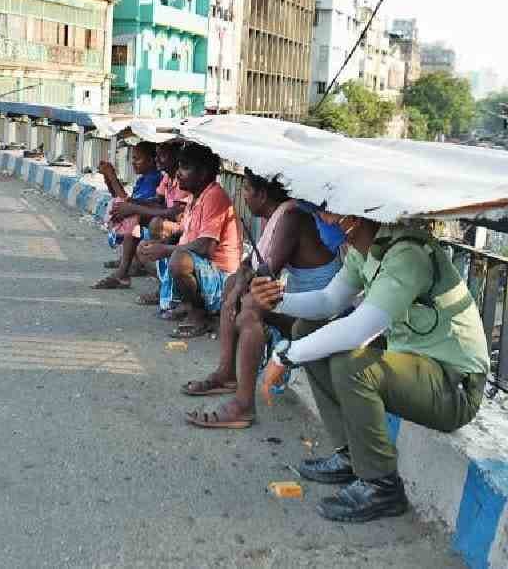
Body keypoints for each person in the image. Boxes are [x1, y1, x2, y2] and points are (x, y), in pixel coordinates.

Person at [248, 214, 489, 523]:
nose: (321, 219)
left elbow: (360, 329)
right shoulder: (366, 249)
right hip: (417, 365)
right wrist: (277, 300)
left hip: (454, 386)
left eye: (328, 212)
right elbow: (327, 301)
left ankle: (382, 485)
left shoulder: (408, 254)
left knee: (353, 366)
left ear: (355, 216)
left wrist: (284, 357)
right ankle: (350, 455)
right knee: (307, 329)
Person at [181, 171, 343, 429]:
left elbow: (267, 273)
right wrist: (237, 286)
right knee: (235, 284)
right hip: (306, 308)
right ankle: (226, 373)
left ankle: (243, 406)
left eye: (246, 190)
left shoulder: (292, 218)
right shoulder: (276, 217)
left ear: (262, 194)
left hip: (320, 315)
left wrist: (240, 288)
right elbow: (249, 264)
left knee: (249, 309)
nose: (242, 196)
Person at [137, 142, 241, 338]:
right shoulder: (197, 196)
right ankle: (185, 302)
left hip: (222, 277)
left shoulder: (214, 196)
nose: (178, 173)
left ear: (202, 173)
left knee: (178, 260)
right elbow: (183, 233)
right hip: (203, 268)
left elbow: (206, 247)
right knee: (145, 248)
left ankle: (200, 314)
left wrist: (166, 250)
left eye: (185, 167)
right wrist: (160, 245)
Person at [93, 141, 163, 289]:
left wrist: (113, 177)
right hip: (146, 221)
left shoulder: (153, 179)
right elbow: (123, 199)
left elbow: (130, 204)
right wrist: (108, 179)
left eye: (137, 159)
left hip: (151, 225)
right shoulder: (143, 179)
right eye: (133, 158)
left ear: (151, 161)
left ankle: (126, 269)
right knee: (120, 209)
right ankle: (128, 262)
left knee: (131, 219)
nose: (133, 163)